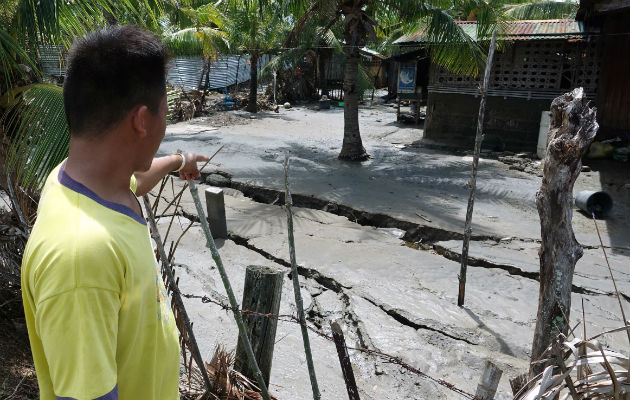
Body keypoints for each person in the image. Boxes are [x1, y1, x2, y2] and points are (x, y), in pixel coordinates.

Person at [21, 25, 208, 400]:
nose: (164, 125)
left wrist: (177, 160)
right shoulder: (81, 258)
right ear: (141, 120)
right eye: (164, 112)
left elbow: (136, 180)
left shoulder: (79, 180)